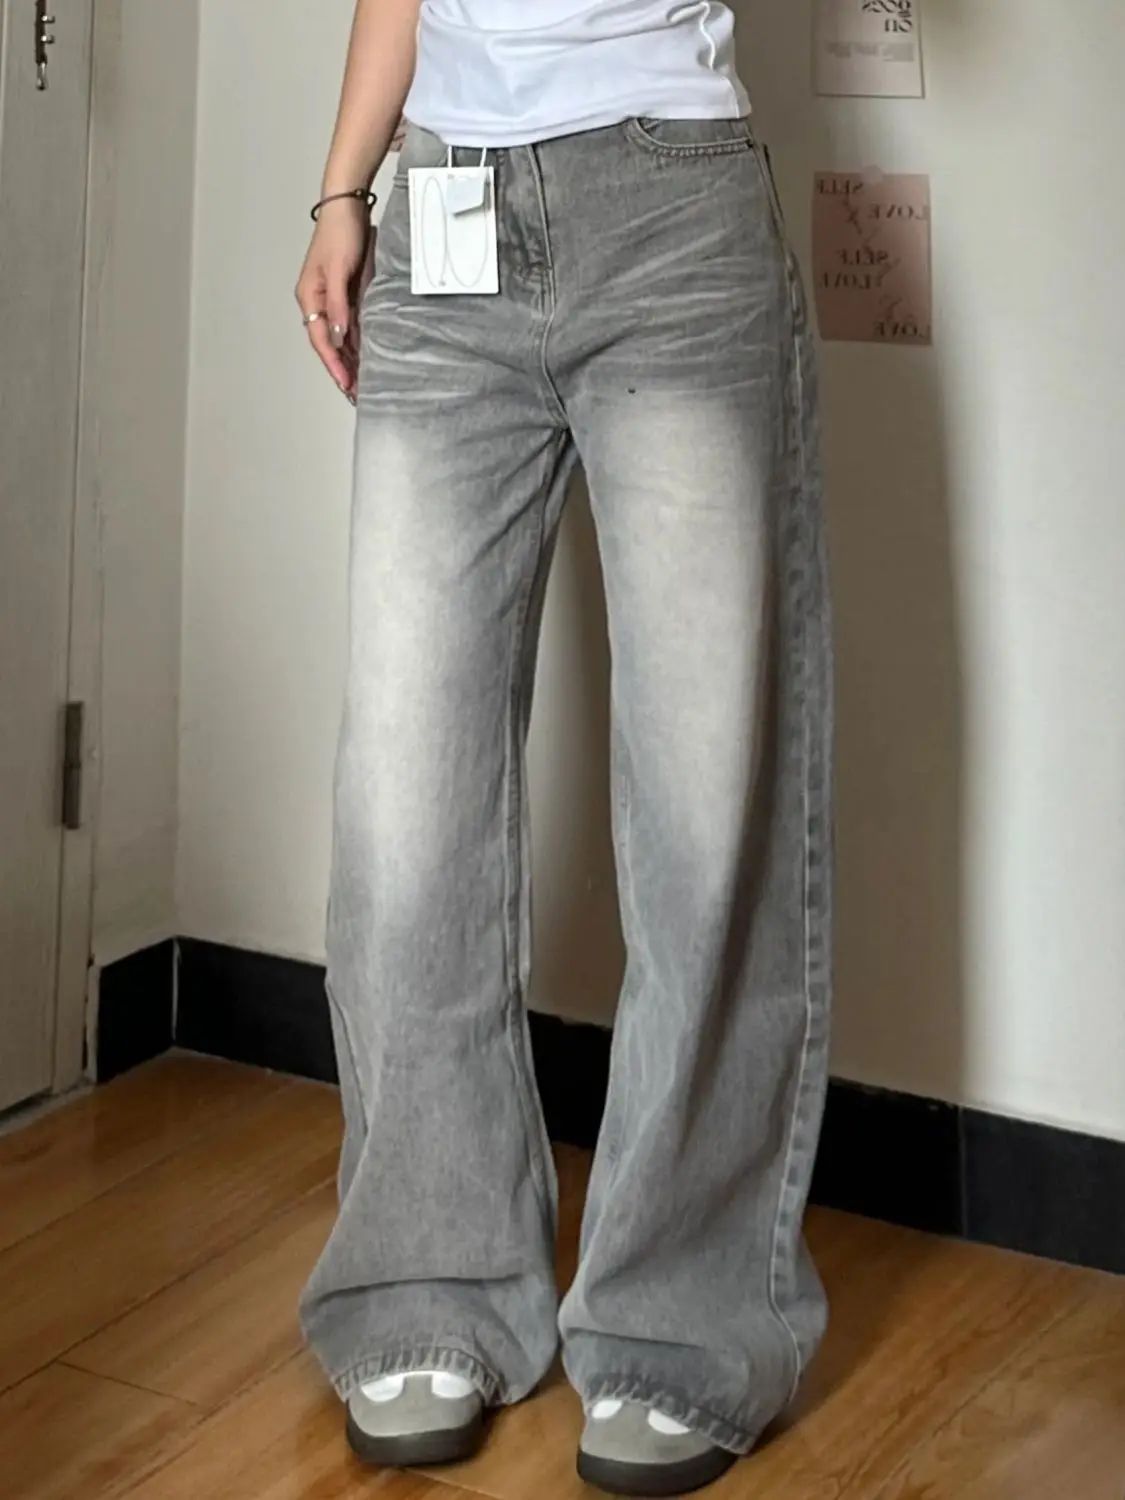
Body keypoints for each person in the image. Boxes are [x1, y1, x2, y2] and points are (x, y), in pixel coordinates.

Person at [294, 2, 834, 1494]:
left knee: (706, 808)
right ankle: (427, 1285)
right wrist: (342, 190)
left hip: (671, 207)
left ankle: (680, 1319)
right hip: (444, 208)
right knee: (407, 808)